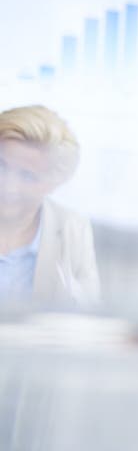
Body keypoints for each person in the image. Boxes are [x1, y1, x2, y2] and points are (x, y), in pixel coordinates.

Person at [0, 105, 100, 308]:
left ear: (54, 183)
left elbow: (88, 312)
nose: (7, 185)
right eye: (1, 166)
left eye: (28, 176)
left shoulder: (72, 227)